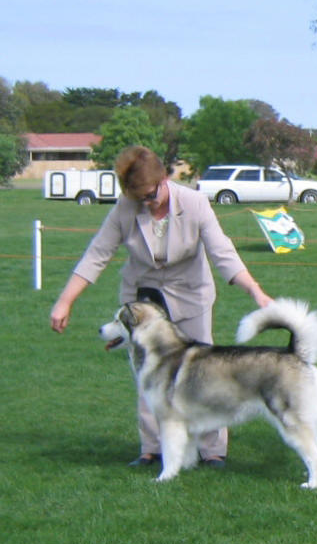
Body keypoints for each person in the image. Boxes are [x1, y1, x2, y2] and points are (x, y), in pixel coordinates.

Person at [49, 145, 274, 468]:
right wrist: (65, 301)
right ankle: (152, 447)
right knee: (148, 374)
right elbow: (97, 254)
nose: (145, 202)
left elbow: (223, 253)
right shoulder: (126, 207)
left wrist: (256, 292)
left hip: (191, 293)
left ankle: (212, 450)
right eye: (138, 197)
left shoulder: (195, 203)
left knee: (206, 375)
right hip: (142, 300)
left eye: (150, 195)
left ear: (164, 179)